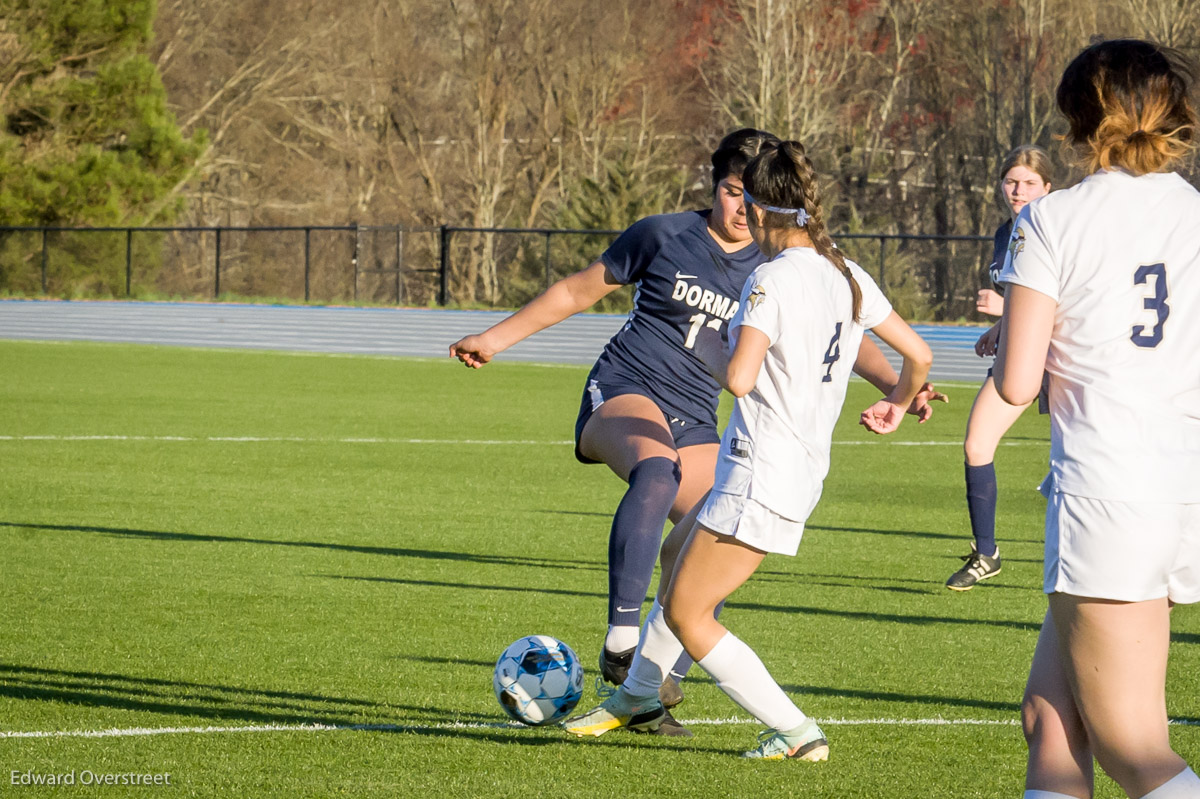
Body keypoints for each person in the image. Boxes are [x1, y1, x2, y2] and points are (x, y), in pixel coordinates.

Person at [450, 129, 945, 736]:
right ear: (714, 186)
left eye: (750, 196)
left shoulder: (777, 264)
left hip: (696, 417)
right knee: (657, 474)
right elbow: (580, 289)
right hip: (626, 388)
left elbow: (843, 331)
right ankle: (625, 641)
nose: (741, 208)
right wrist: (493, 339)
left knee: (698, 545)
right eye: (732, 192)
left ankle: (647, 693)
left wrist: (898, 386)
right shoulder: (665, 235)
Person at [995, 38, 1200, 799]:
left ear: (1079, 121)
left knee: (1132, 745)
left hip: (1108, 489)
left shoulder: (1053, 219)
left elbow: (1018, 382)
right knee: (1050, 717)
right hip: (1178, 483)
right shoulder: (1193, 212)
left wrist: (1016, 336)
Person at [946, 145, 1054, 591]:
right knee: (976, 443)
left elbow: (1065, 299)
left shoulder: (1056, 227)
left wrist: (1005, 307)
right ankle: (986, 553)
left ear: (1049, 187)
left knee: (1077, 459)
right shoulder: (1004, 232)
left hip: (1063, 358)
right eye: (1012, 181)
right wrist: (1003, 324)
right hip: (1020, 352)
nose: (1019, 190)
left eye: (1030, 182)